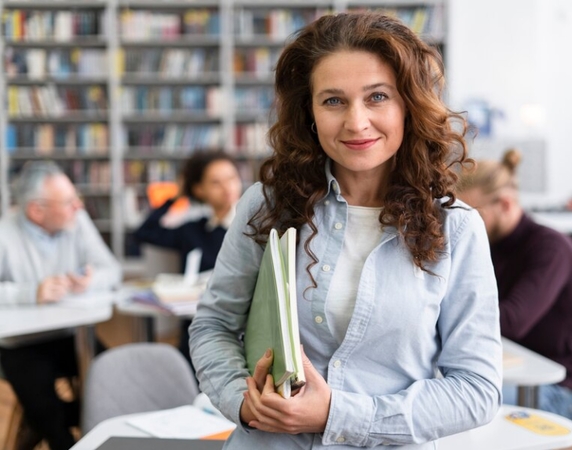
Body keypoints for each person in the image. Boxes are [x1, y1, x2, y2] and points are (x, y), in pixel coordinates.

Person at [189, 12, 502, 449]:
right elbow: (214, 326)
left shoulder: (458, 229)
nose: (356, 122)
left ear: (408, 105)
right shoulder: (267, 205)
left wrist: (338, 414)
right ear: (310, 113)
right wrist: (243, 401)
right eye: (333, 101)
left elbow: (476, 391)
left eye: (377, 97)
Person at [456, 149, 572, 420]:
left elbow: (511, 321)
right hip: (501, 367)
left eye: (472, 214)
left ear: (504, 204)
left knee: (456, 404)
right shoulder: (487, 242)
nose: (464, 224)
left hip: (552, 389)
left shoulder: (552, 249)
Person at [0, 161, 122, 450]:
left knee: (113, 377)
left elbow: (112, 270)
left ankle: (89, 430)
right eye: (68, 202)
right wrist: (31, 293)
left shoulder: (76, 222)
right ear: (36, 210)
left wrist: (90, 281)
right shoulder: (5, 234)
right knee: (46, 410)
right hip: (20, 345)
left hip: (72, 337)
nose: (79, 206)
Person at [134, 150, 242, 363]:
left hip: (236, 331)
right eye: (216, 183)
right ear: (199, 190)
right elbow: (144, 232)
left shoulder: (251, 227)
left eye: (231, 178)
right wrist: (177, 195)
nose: (227, 188)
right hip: (196, 329)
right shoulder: (193, 230)